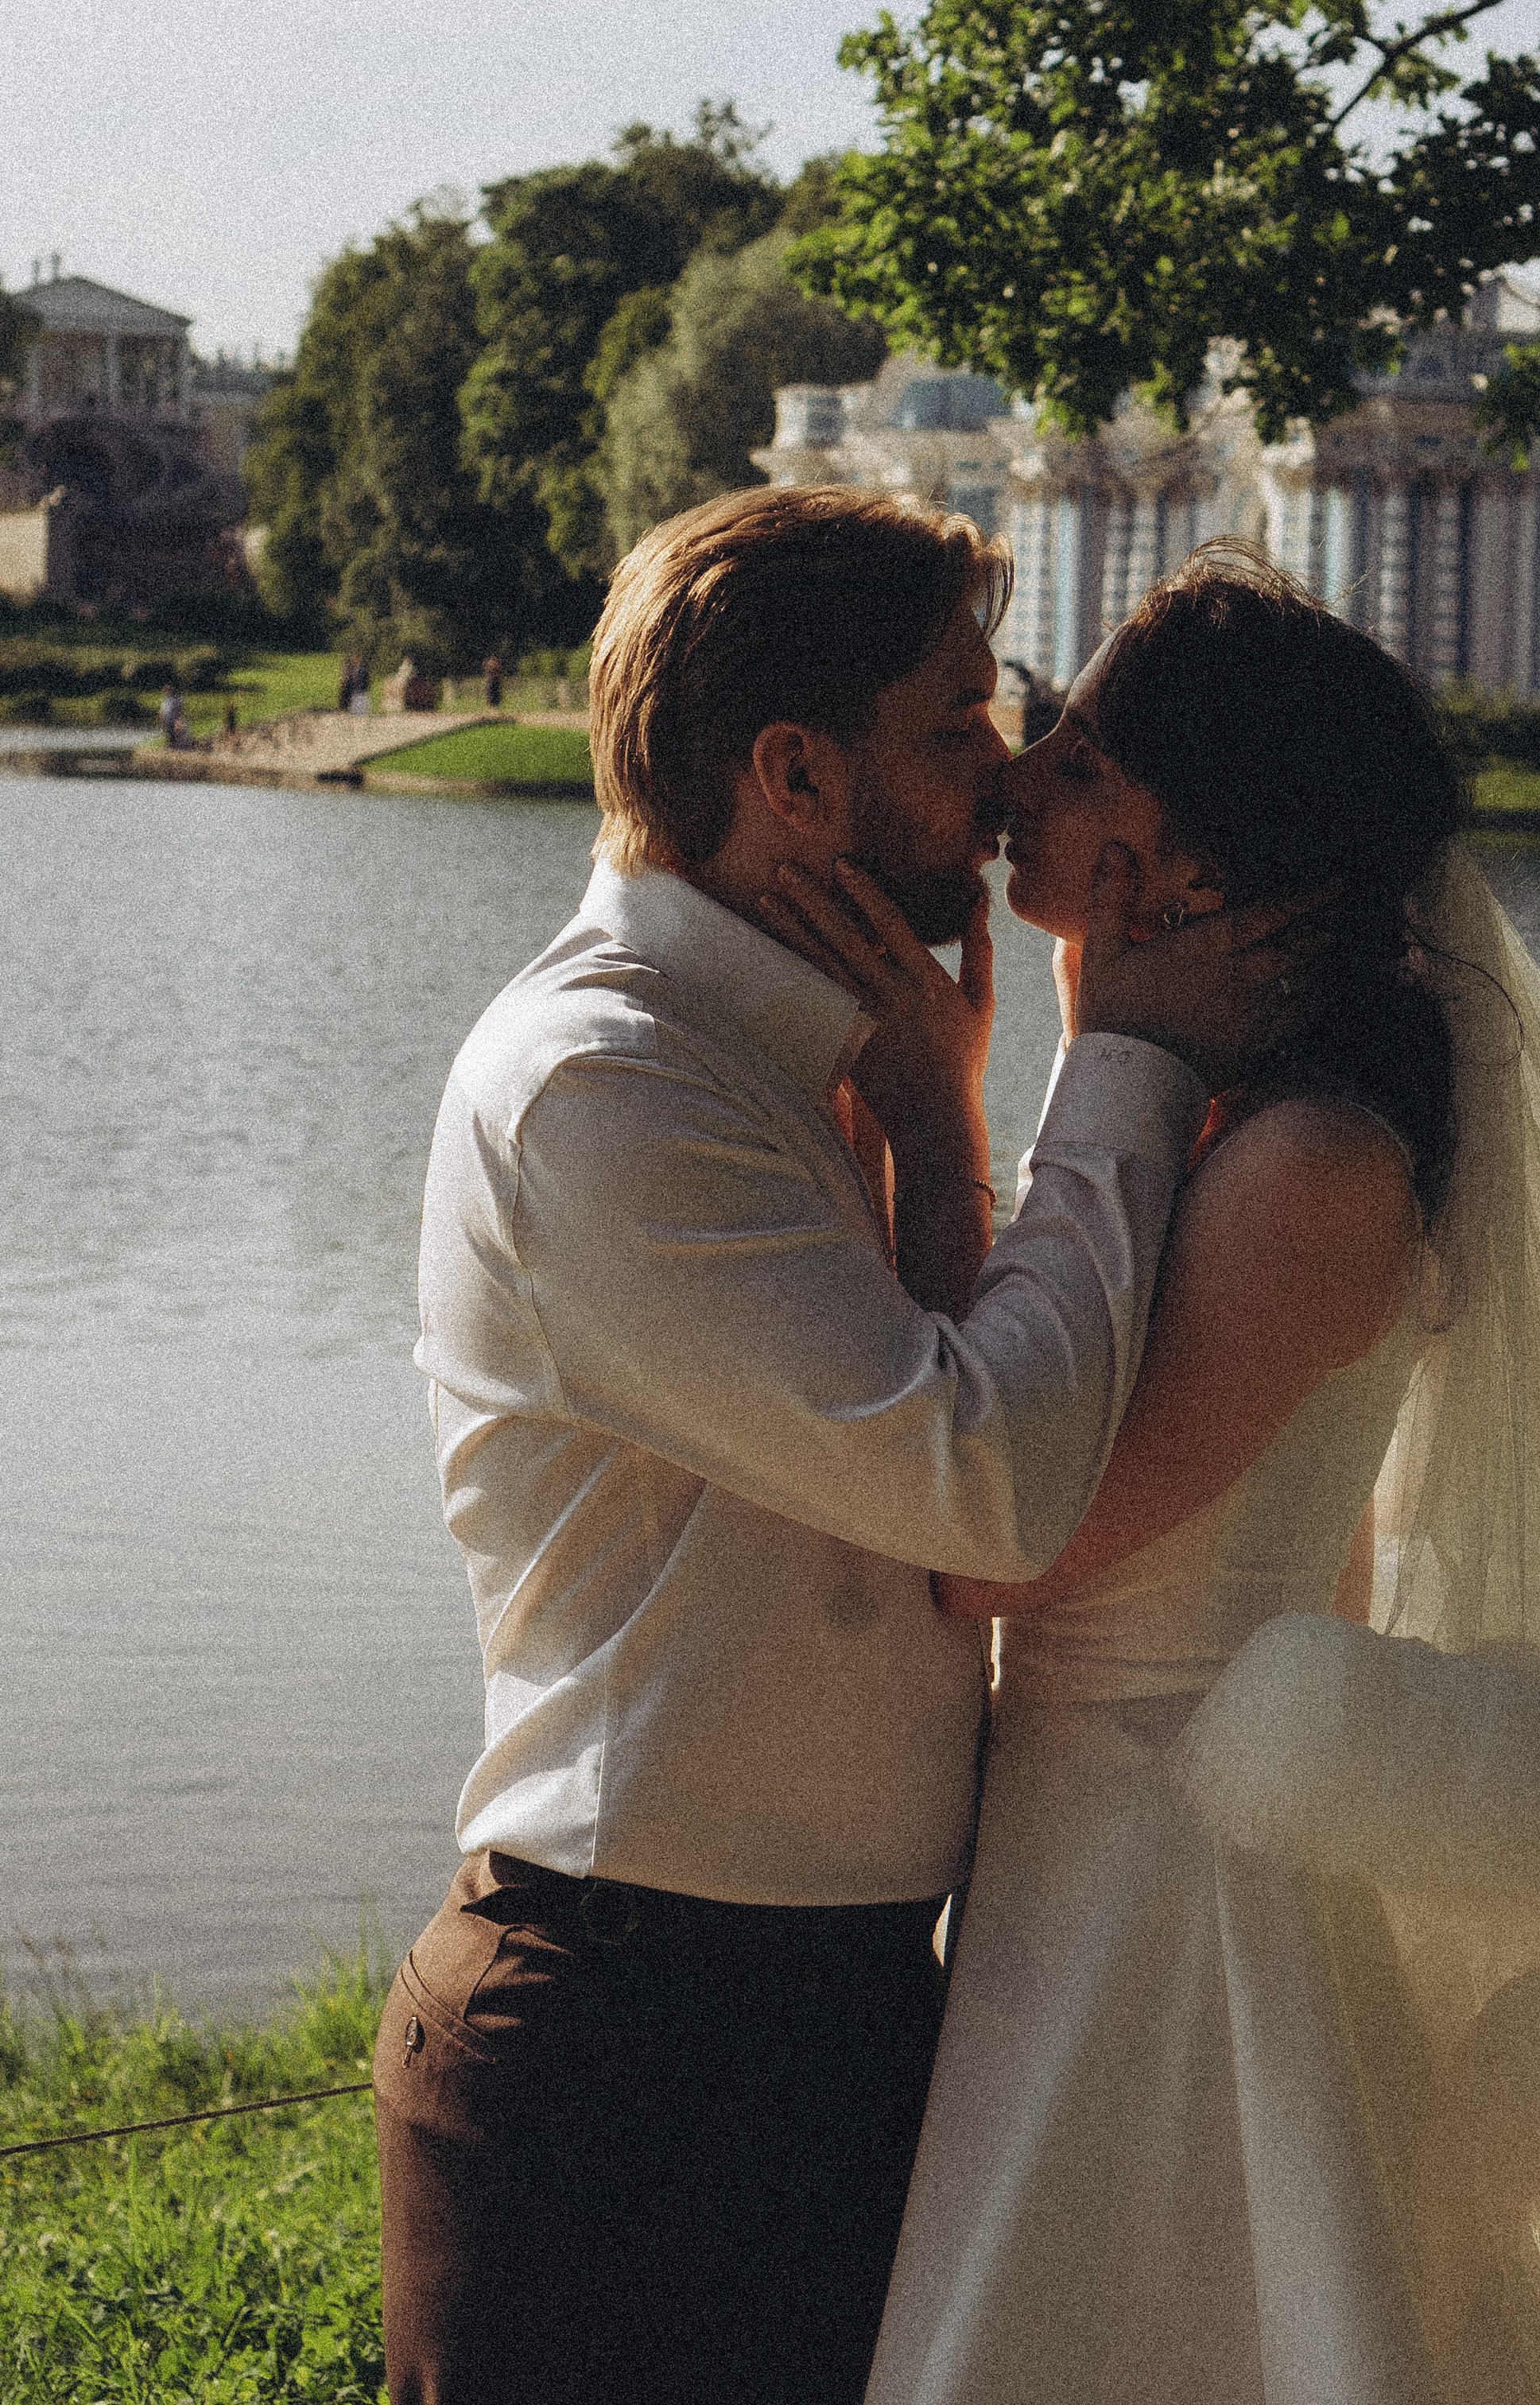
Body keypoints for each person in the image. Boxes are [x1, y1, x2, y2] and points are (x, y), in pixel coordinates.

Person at [774, 546, 1540, 2405]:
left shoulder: (1304, 1170)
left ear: (1187, 850)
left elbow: (991, 1553)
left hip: (1171, 1870)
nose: (1025, 777)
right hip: (1091, 1836)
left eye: (1084, 751)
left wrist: (984, 1103)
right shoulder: (1213, 1118)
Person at [373, 489, 1304, 2405]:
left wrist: (942, 1122)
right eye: (957, 719)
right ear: (792, 772)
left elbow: (952, 1487)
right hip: (631, 2049)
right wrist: (1117, 1058)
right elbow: (988, 1486)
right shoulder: (606, 1089)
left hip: (827, 2015)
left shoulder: (802, 1062)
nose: (1003, 775)